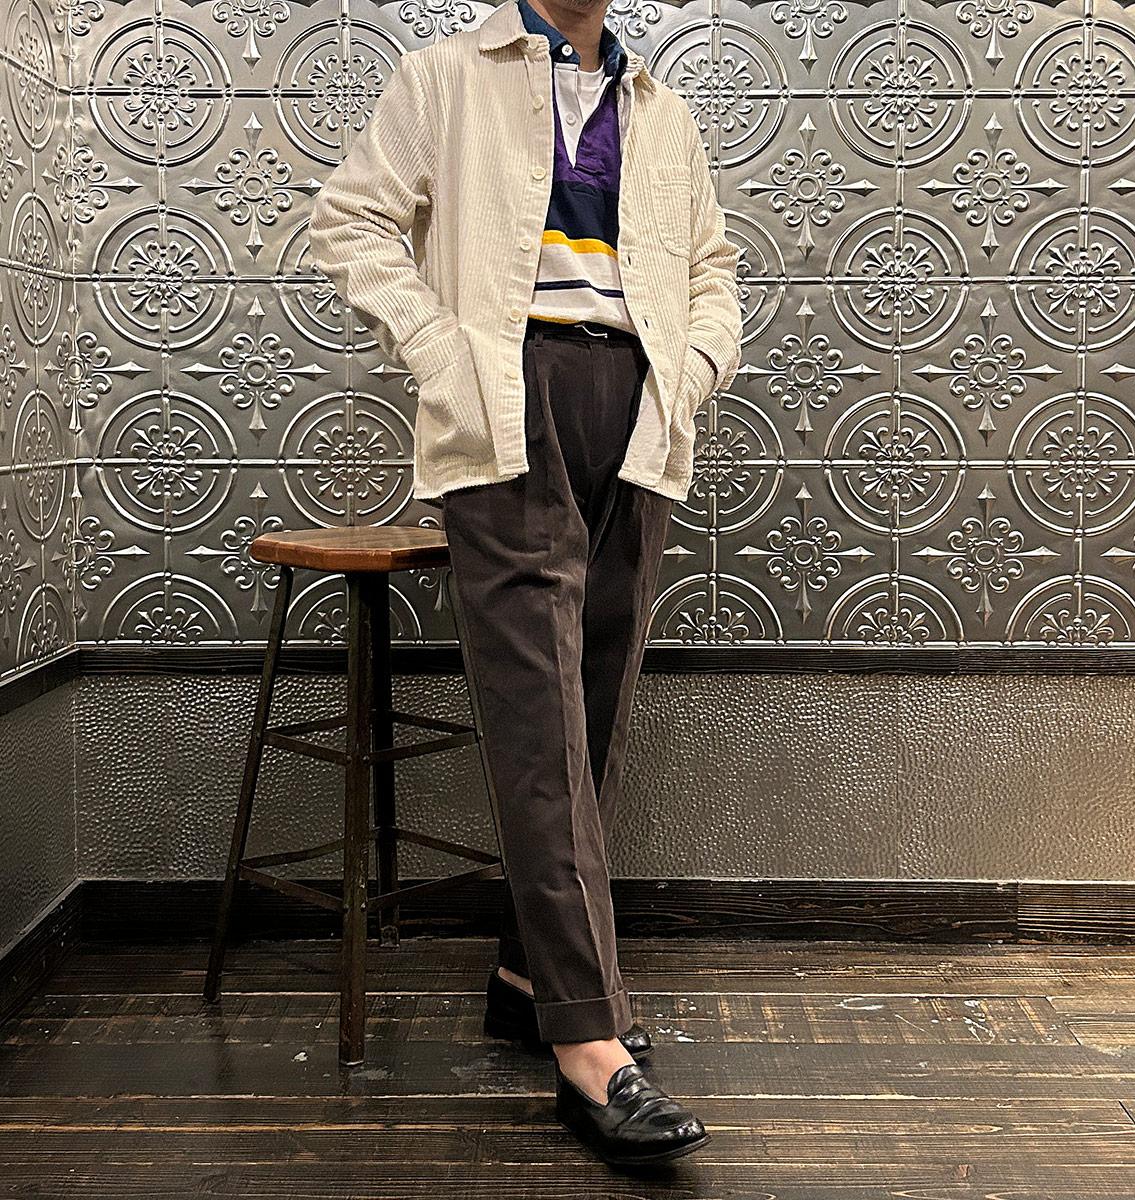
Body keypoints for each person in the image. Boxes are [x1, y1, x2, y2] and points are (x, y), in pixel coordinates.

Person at [307, 0, 742, 1167]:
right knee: (539, 721)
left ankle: (523, 973)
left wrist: (693, 368)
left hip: (639, 410)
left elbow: (711, 268)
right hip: (507, 402)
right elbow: (350, 221)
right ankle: (589, 1040)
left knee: (591, 710)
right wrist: (441, 351)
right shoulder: (444, 76)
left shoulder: (662, 110)